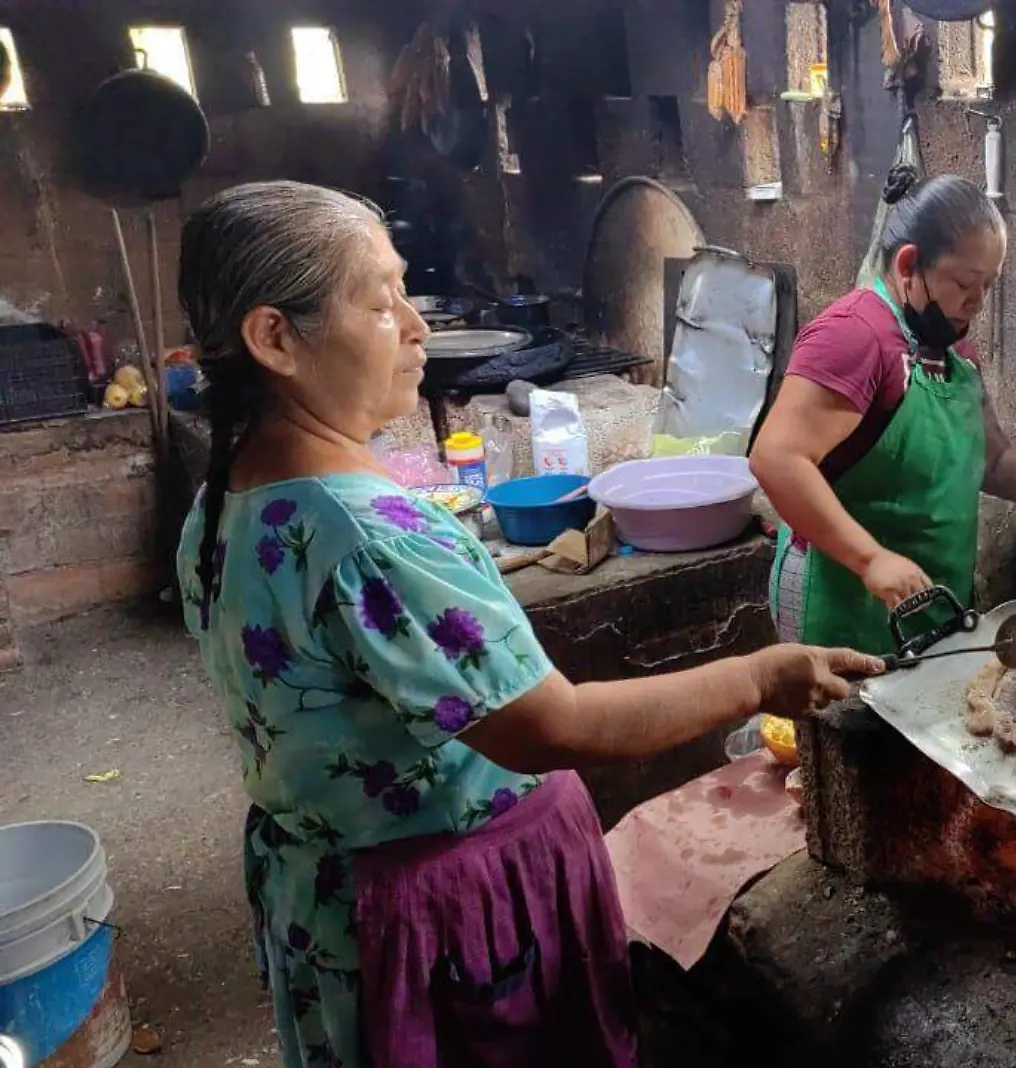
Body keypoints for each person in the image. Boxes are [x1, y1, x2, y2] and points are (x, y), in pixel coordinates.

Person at [173, 181, 881, 1068]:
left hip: (330, 890)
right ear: (274, 337)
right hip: (448, 910)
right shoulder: (365, 537)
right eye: (382, 304)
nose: (418, 327)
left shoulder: (227, 498)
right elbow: (554, 726)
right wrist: (761, 674)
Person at [752, 175, 1016, 653]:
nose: (978, 302)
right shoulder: (855, 336)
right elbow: (776, 458)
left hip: (928, 601)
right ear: (909, 264)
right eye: (965, 283)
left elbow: (993, 463)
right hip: (844, 606)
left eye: (989, 285)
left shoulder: (954, 352)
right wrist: (869, 560)